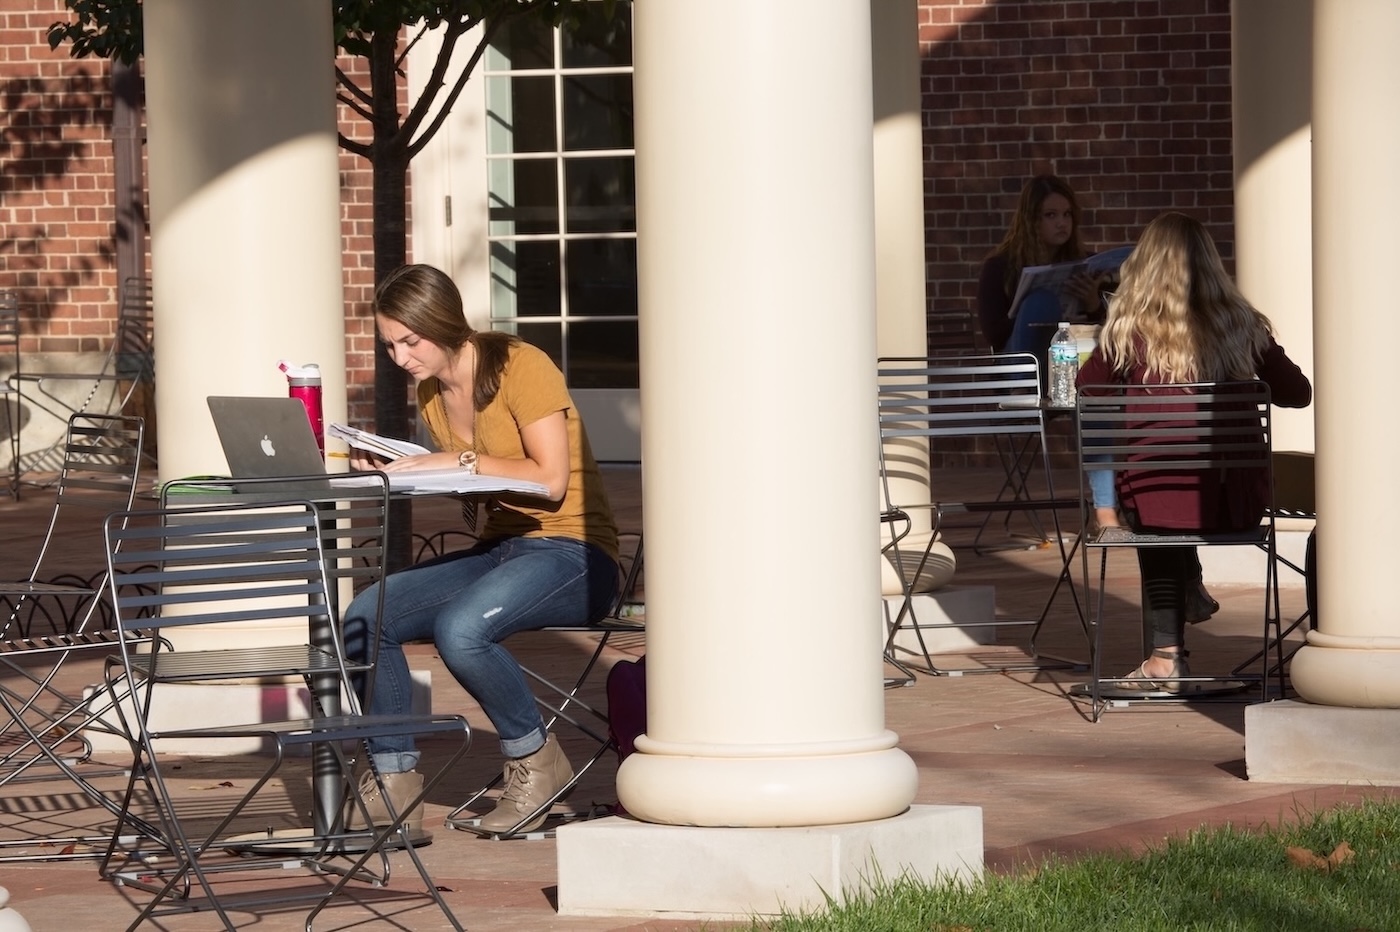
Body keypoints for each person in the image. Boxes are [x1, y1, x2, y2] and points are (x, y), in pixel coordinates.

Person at [342, 263, 621, 834]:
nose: (401, 357)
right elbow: (478, 491)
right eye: (390, 344)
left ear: (442, 322)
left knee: (462, 629)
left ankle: (535, 761)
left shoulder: (521, 365)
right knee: (366, 615)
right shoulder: (431, 394)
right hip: (502, 549)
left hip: (573, 551)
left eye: (410, 341)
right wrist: (397, 471)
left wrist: (456, 461)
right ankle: (394, 780)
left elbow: (549, 481)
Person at [1077, 212, 1312, 691]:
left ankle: (1165, 656)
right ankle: (1186, 596)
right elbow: (1298, 393)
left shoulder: (1127, 331)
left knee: (1156, 496)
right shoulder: (1244, 325)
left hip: (1154, 507)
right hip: (1235, 505)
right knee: (1170, 497)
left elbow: (1087, 395)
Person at [976, 175, 1119, 528]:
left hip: (1072, 370)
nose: (1062, 223)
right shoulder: (1000, 267)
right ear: (1031, 219)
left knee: (1094, 400)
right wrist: (1027, 306)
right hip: (1023, 370)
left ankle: (1106, 512)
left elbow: (1109, 328)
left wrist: (1091, 303)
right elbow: (993, 332)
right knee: (1041, 301)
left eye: (1067, 215)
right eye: (1051, 215)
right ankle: (1025, 388)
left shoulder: (1086, 264)